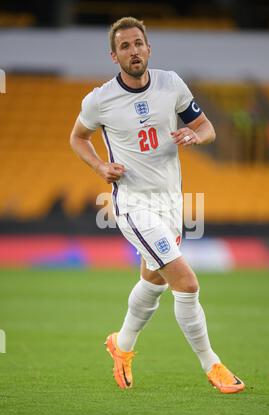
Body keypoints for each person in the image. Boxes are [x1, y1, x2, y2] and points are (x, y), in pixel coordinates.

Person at [70, 16, 245, 394]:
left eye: (138, 44)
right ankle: (212, 364)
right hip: (133, 205)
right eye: (125, 47)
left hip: (171, 203)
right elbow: (78, 138)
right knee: (186, 281)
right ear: (113, 56)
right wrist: (101, 165)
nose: (133, 51)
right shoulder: (100, 99)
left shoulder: (171, 83)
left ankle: (122, 345)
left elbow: (207, 127)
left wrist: (195, 137)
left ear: (149, 48)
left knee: (153, 281)